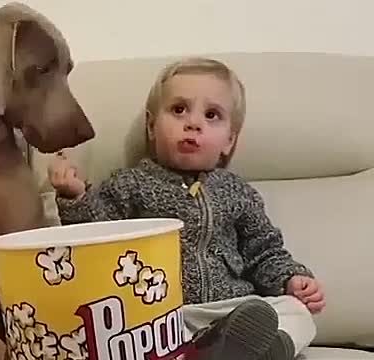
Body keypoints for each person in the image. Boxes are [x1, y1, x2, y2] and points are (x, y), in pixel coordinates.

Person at [48, 57, 326, 360]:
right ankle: (211, 352)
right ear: (152, 127)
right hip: (165, 314)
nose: (193, 123)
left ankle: (258, 350)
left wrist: (290, 279)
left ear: (228, 141)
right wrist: (76, 196)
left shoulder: (237, 191)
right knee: (129, 331)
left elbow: (265, 251)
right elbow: (100, 236)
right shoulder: (130, 184)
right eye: (178, 110)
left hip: (234, 309)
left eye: (212, 115)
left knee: (295, 311)